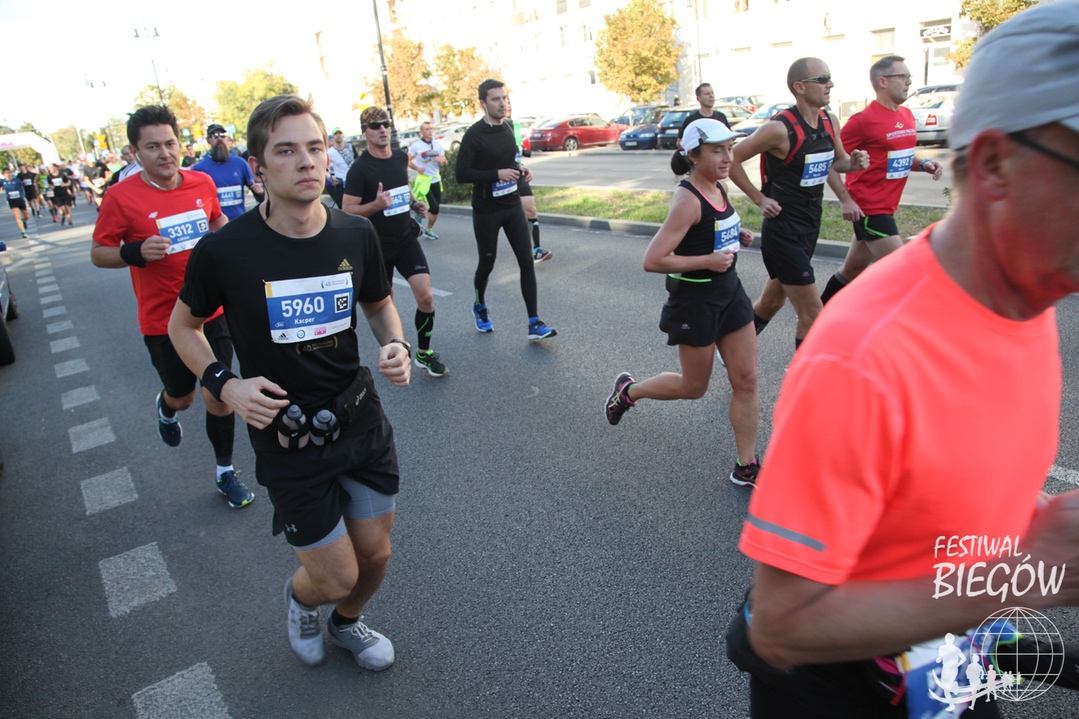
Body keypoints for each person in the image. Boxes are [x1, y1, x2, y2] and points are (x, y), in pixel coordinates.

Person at [729, 4, 1079, 716]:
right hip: (846, 691)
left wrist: (1040, 529)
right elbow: (782, 626)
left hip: (944, 662)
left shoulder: (1027, 295)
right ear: (995, 166)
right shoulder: (864, 359)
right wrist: (1028, 571)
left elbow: (948, 518)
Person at [168, 94, 410, 672]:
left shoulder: (356, 233)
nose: (306, 161)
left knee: (376, 555)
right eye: (286, 150)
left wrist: (396, 344)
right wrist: (226, 385)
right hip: (287, 436)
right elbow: (183, 327)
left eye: (315, 147)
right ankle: (305, 600)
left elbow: (378, 304)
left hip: (358, 419)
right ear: (257, 167)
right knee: (335, 575)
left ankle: (345, 623)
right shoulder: (223, 250)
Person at [90, 105, 255, 510]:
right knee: (184, 398)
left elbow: (216, 222)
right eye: (153, 147)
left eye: (170, 143)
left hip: (210, 311)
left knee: (219, 393)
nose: (164, 153)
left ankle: (225, 472)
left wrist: (229, 247)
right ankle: (167, 407)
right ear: (135, 152)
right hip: (162, 319)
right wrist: (134, 251)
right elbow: (98, 253)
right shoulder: (120, 197)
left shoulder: (201, 182)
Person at [604, 119, 761, 485]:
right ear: (693, 155)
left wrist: (735, 233)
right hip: (695, 303)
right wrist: (707, 260)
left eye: (729, 148)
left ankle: (746, 465)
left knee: (748, 380)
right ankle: (629, 391)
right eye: (717, 150)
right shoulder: (687, 200)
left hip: (730, 294)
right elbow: (653, 259)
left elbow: (707, 228)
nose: (727, 157)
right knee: (694, 387)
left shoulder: (719, 185)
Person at [727, 58, 869, 350]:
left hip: (810, 223)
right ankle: (803, 377)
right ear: (800, 87)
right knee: (813, 313)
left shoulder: (829, 121)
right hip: (783, 229)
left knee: (772, 301)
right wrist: (759, 198)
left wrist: (853, 164)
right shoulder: (779, 129)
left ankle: (732, 349)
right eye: (823, 79)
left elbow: (838, 161)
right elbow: (732, 160)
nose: (830, 85)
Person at [819, 55, 944, 304]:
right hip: (869, 209)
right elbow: (828, 161)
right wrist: (845, 200)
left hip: (887, 206)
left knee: (851, 271)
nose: (909, 82)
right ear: (883, 81)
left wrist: (924, 164)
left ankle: (817, 316)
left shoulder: (906, 115)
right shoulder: (862, 121)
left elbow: (898, 155)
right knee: (903, 273)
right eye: (903, 77)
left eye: (909, 77)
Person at [344, 106, 448, 378]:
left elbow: (404, 188)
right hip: (377, 246)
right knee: (384, 304)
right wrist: (376, 205)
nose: (382, 129)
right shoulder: (360, 169)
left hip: (405, 239)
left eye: (385, 124)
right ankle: (393, 353)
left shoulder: (400, 157)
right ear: (364, 132)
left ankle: (423, 353)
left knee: (426, 296)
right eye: (375, 125)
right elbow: (347, 209)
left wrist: (415, 204)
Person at [455, 78, 557, 340]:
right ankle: (479, 305)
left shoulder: (509, 127)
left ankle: (534, 323)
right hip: (487, 210)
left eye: (505, 98)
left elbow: (510, 159)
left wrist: (521, 169)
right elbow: (461, 174)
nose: (503, 103)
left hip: (512, 205)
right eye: (496, 99)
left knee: (526, 261)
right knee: (487, 263)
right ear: (483, 103)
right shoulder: (474, 134)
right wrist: (496, 174)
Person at [506, 97, 551, 262]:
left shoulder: (515, 126)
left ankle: (537, 250)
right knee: (507, 217)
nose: (506, 105)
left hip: (518, 173)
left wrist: (522, 163)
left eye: (508, 102)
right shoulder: (491, 128)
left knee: (530, 209)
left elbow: (516, 153)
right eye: (501, 100)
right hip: (501, 178)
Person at [191, 123, 264, 221]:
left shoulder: (240, 163)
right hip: (216, 225)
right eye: (214, 136)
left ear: (226, 138)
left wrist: (260, 192)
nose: (219, 138)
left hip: (239, 222)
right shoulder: (199, 169)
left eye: (222, 135)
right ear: (208, 140)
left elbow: (257, 191)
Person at [407, 121, 446, 240]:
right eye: (427, 129)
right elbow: (407, 160)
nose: (430, 131)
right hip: (423, 180)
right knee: (432, 206)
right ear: (422, 132)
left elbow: (445, 162)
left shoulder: (437, 145)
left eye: (431, 129)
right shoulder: (416, 146)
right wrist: (417, 168)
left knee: (436, 209)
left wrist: (442, 161)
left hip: (435, 179)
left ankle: (429, 229)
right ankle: (418, 217)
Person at [327, 127, 356, 209]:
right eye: (336, 134)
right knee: (343, 207)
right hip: (340, 183)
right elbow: (325, 167)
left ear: (343, 135)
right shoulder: (329, 152)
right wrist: (330, 176)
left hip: (353, 180)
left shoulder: (350, 147)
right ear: (333, 136)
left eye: (340, 133)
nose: (338, 135)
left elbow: (357, 160)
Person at [1, 168, 30, 238]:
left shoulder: (17, 180)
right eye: (6, 173)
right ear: (3, 174)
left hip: (19, 199)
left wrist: (23, 196)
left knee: (26, 216)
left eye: (9, 172)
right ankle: (23, 232)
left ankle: (24, 221)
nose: (8, 174)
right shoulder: (2, 182)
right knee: (17, 217)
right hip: (11, 201)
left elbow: (21, 188)